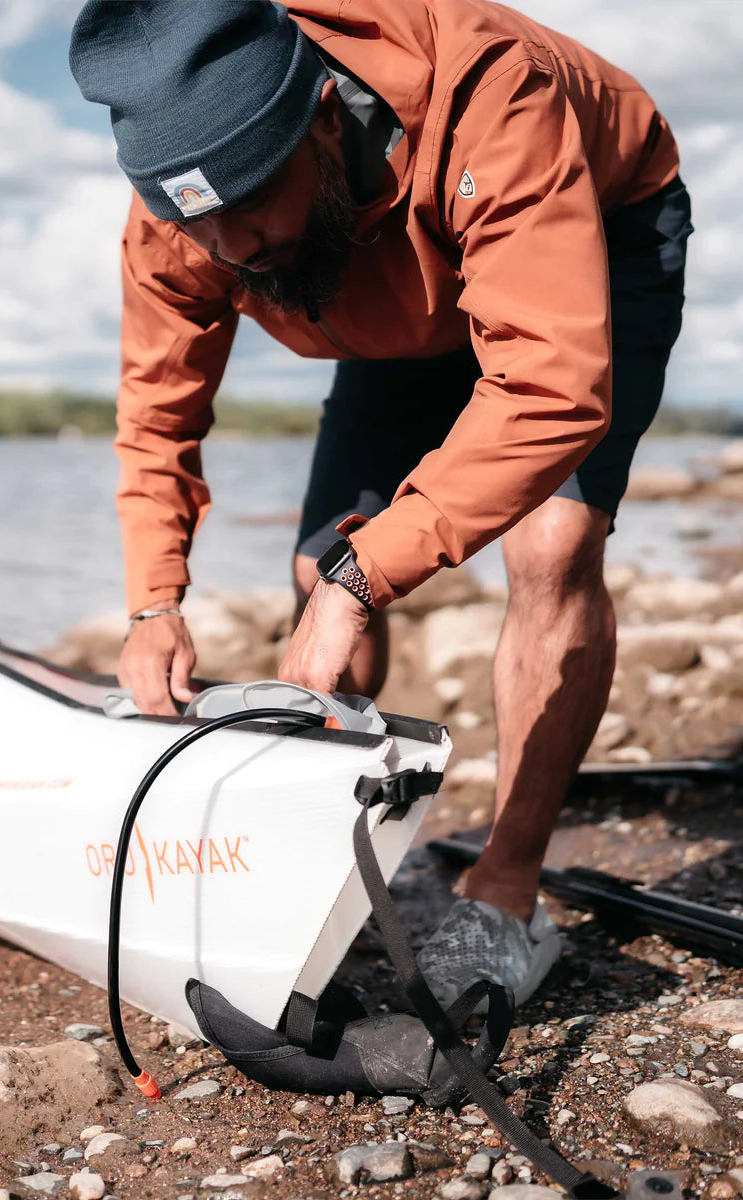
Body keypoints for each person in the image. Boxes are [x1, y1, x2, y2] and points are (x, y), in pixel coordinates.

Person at [69, 0, 692, 1007]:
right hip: (382, 277)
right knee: (317, 566)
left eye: (251, 203)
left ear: (325, 116)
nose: (232, 247)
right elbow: (156, 422)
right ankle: (334, 856)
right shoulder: (190, 226)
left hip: (591, 226)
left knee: (551, 546)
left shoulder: (492, 91)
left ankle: (506, 894)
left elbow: (549, 391)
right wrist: (153, 603)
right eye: (199, 224)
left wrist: (365, 580)